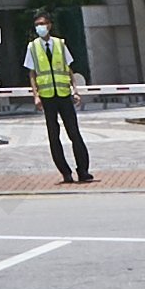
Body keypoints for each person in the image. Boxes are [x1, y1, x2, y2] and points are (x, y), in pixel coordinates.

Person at [25, 17, 94, 183]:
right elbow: (32, 73)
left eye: (42, 24)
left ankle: (83, 171)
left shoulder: (60, 44)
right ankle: (65, 172)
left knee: (74, 133)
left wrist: (75, 91)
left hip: (64, 95)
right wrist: (36, 96)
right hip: (47, 97)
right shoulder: (32, 47)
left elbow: (69, 69)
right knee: (53, 135)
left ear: (49, 25)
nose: (40, 27)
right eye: (37, 25)